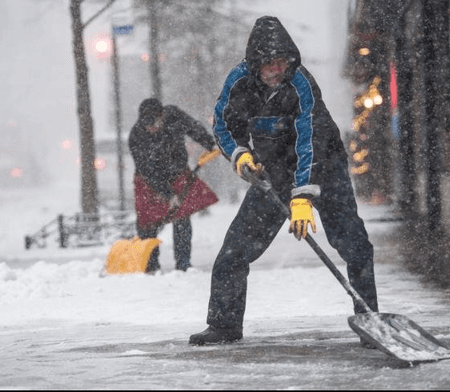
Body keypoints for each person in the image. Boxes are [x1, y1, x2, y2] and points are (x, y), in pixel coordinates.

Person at [189, 16, 379, 347]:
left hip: (324, 167)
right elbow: (222, 125)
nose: (278, 70)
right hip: (273, 172)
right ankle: (224, 324)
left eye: (282, 62)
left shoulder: (301, 84)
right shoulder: (239, 83)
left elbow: (311, 140)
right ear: (255, 64)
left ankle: (370, 319)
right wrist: (240, 154)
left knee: (355, 244)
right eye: (269, 64)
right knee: (234, 251)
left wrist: (303, 196)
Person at [128, 98, 219, 273]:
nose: (151, 128)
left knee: (182, 217)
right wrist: (169, 195)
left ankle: (183, 263)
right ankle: (150, 264)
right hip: (149, 181)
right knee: (148, 222)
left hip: (177, 172)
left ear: (163, 115)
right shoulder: (136, 136)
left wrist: (209, 143)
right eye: (146, 124)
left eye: (154, 122)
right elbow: (147, 171)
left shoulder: (174, 116)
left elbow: (194, 128)